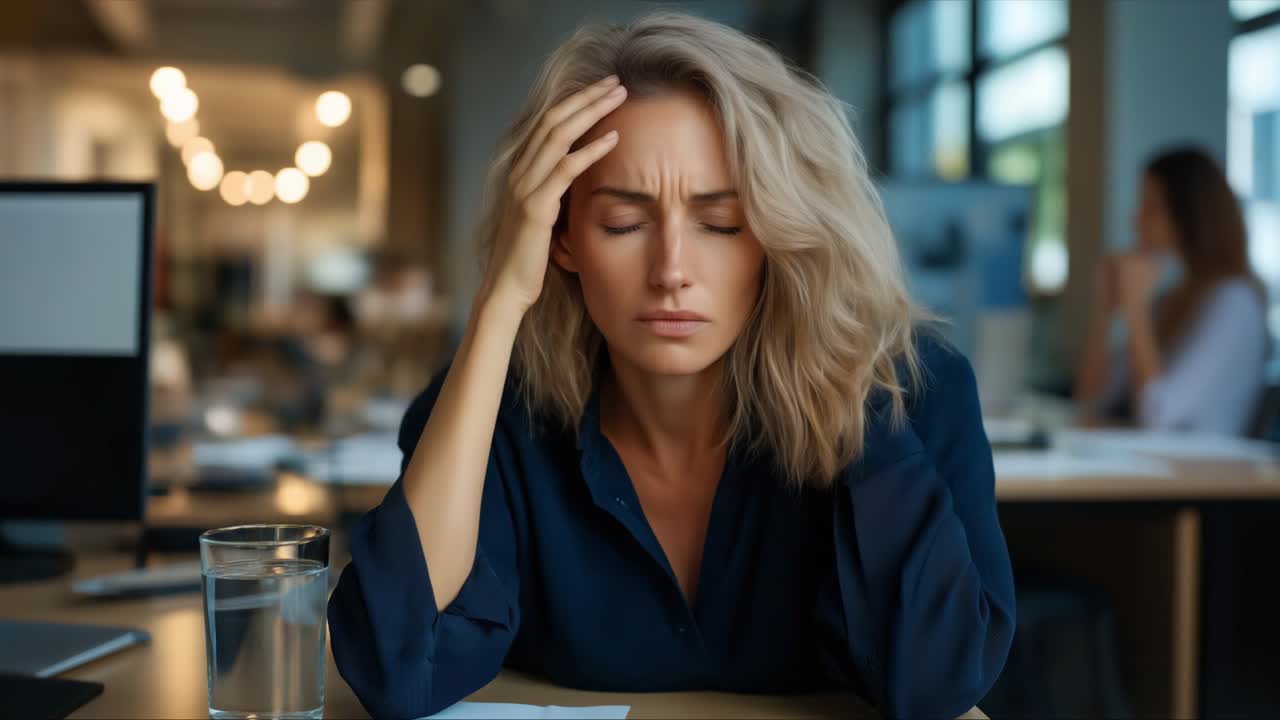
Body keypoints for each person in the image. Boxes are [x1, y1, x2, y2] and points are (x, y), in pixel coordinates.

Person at [328, 12, 1014, 719]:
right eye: (623, 224)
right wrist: (502, 300)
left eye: (721, 224)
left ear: (780, 235)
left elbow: (937, 688)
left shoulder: (913, 390)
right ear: (560, 239)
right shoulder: (490, 411)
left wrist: (835, 342)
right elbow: (395, 669)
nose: (672, 272)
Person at [1076, 146, 1269, 434]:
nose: (1136, 219)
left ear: (1191, 216)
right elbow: (1092, 400)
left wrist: (1136, 309)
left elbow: (1159, 416)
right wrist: (1104, 310)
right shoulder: (1172, 298)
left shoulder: (1234, 301)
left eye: (1152, 207)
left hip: (1210, 474)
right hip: (1164, 465)